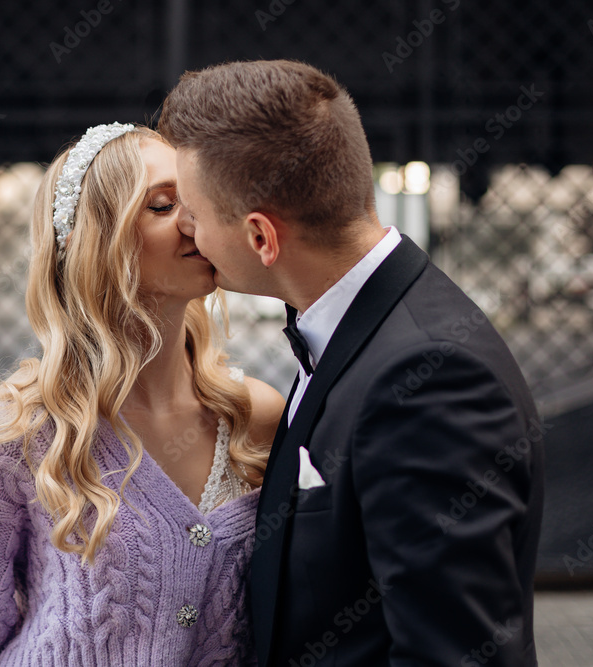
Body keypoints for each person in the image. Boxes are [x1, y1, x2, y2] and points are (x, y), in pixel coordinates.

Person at [159, 60, 545, 666]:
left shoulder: (429, 380)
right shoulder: (352, 324)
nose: (188, 231)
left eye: (195, 214)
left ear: (262, 237)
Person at [0, 122, 285, 666]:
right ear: (97, 239)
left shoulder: (254, 415)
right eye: (163, 206)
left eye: (198, 203)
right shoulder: (14, 434)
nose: (194, 223)